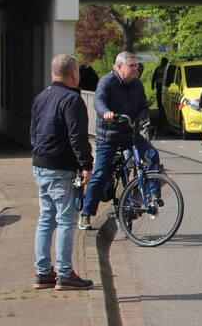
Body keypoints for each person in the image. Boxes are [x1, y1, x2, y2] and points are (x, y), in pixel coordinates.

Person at [30, 54, 94, 290]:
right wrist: (86, 165)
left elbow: (33, 131)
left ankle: (42, 271)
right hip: (61, 168)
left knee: (46, 219)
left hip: (40, 164)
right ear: (75, 74)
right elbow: (77, 137)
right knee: (66, 220)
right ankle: (65, 274)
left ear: (52, 73)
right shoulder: (72, 100)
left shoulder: (41, 97)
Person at [79, 52, 161, 230]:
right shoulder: (106, 82)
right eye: (131, 66)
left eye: (136, 66)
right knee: (100, 174)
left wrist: (140, 117)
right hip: (108, 137)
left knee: (152, 155)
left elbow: (144, 107)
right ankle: (86, 214)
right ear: (118, 67)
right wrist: (105, 112)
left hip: (129, 133)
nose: (136, 69)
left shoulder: (137, 84)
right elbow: (98, 101)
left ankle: (153, 196)